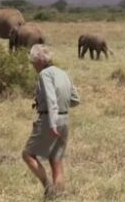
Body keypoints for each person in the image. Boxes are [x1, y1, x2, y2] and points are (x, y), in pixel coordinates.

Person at [22, 44, 80, 200]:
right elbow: (75, 99)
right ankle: (59, 196)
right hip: (64, 119)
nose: (32, 65)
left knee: (27, 154)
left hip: (49, 119)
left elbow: (51, 98)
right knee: (56, 160)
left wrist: (52, 122)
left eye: (33, 61)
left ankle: (49, 188)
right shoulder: (63, 73)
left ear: (40, 60)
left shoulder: (45, 74)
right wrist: (62, 107)